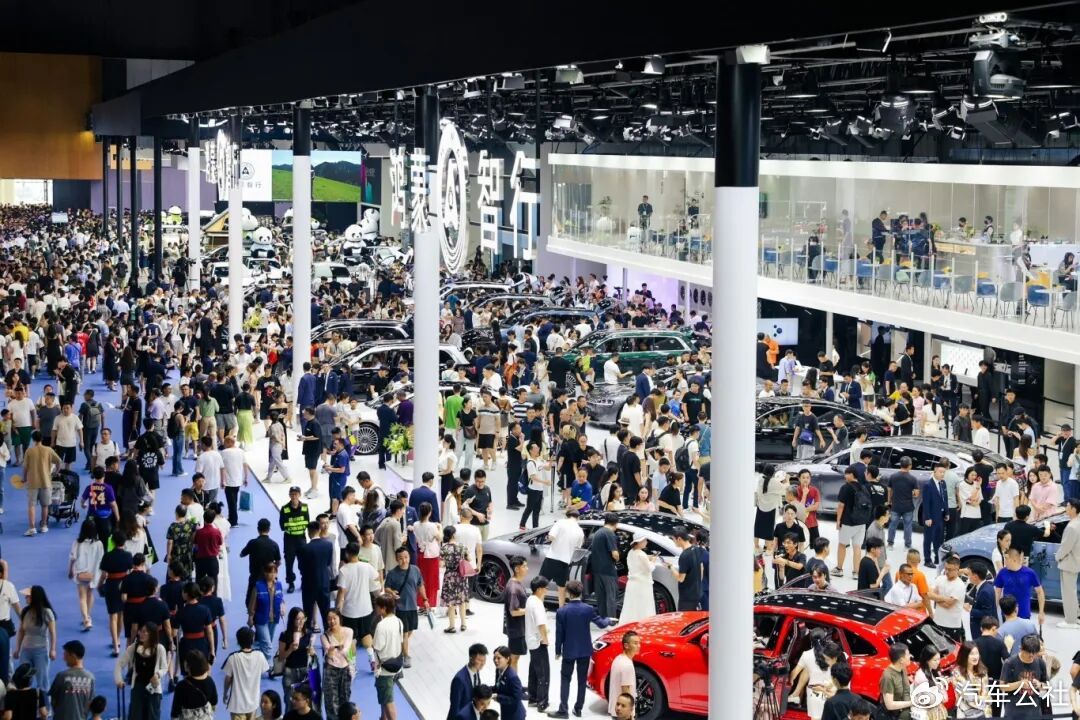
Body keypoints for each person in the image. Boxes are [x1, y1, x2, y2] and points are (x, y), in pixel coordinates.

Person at [546, 580, 611, 719]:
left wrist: (557, 651)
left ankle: (563, 710)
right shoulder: (588, 609)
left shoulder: (562, 611)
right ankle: (578, 708)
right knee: (582, 681)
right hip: (585, 650)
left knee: (565, 679)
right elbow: (601, 624)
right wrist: (609, 620)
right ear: (581, 592)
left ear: (568, 593)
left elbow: (559, 633)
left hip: (569, 650)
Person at [384, 545, 427, 668]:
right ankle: (406, 656)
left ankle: (399, 647)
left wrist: (425, 599)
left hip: (412, 606)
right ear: (396, 559)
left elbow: (420, 585)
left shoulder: (415, 570)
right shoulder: (392, 573)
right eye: (401, 558)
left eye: (406, 557)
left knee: (409, 631)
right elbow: (386, 587)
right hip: (400, 608)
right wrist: (391, 592)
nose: (404, 560)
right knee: (405, 633)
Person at [115, 622, 168, 720]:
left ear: (151, 634)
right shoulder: (133, 647)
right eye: (141, 631)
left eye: (144, 632)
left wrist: (158, 674)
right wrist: (119, 680)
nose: (141, 634)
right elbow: (119, 664)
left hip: (153, 688)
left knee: (152, 716)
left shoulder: (160, 649)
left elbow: (164, 668)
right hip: (138, 686)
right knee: (136, 715)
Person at [223, 627, 270, 720]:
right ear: (253, 640)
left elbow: (228, 679)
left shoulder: (233, 658)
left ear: (238, 641)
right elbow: (264, 670)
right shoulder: (260, 655)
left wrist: (225, 693)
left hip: (237, 705)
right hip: (253, 703)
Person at [999, 634, 1049, 719]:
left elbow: (1046, 685)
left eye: (1034, 653)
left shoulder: (1040, 663)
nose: (1031, 656)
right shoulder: (1010, 663)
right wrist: (1020, 684)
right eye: (1028, 652)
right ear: (1021, 648)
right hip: (1014, 711)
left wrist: (1039, 684)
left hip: (1034, 711)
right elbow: (1002, 686)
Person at [541, 509, 584, 608]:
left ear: (566, 516)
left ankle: (540, 607)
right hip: (565, 562)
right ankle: (561, 609)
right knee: (561, 588)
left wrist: (548, 538)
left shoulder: (560, 522)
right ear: (578, 518)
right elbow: (579, 546)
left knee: (542, 585)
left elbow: (551, 537)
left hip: (552, 558)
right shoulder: (580, 530)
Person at [22, 430, 61, 537]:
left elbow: (25, 467)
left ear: (33, 439)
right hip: (46, 482)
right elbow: (59, 461)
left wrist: (24, 478)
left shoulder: (29, 451)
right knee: (45, 506)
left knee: (31, 505)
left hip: (32, 482)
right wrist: (56, 472)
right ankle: (44, 526)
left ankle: (32, 528)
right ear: (42, 438)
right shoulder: (48, 450)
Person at [372, 593, 405, 720]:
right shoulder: (398, 621)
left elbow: (377, 646)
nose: (376, 608)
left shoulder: (381, 625)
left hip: (384, 669)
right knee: (385, 696)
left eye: (377, 606)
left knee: (388, 700)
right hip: (396, 665)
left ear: (383, 608)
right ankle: (383, 718)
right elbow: (401, 640)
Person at [297, 521, 333, 632]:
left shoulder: (303, 548)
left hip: (308, 584)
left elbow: (301, 567)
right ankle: (328, 636)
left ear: (309, 532)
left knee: (307, 614)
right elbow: (328, 563)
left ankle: (307, 636)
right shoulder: (328, 545)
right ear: (319, 530)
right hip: (324, 583)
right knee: (326, 613)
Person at [994, 546, 1046, 623]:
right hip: (1007, 614)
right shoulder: (1002, 572)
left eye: (1006, 559)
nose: (1004, 561)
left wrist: (1041, 612)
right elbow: (997, 592)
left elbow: (1040, 592)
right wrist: (994, 611)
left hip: (1024, 615)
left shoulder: (1029, 573)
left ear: (1014, 560)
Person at [247, 562, 285, 664]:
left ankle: (259, 662)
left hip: (274, 619)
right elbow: (252, 603)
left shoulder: (279, 585)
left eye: (274, 572)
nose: (272, 575)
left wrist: (282, 606)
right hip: (260, 620)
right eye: (269, 572)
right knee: (267, 645)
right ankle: (268, 666)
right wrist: (250, 617)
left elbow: (281, 599)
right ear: (265, 573)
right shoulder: (258, 586)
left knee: (266, 643)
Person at [320, 610, 355, 720]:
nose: (332, 621)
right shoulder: (324, 636)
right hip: (331, 670)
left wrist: (340, 649)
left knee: (345, 699)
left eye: (334, 618)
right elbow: (329, 654)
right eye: (329, 619)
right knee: (331, 701)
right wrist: (330, 652)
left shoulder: (349, 631)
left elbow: (347, 648)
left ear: (340, 618)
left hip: (345, 669)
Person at [47, 640, 92, 720]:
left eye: (65, 655)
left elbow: (54, 699)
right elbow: (90, 702)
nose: (64, 658)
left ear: (73, 656)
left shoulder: (62, 676)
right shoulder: (91, 678)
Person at [524, 576, 550, 712]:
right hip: (538, 642)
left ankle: (533, 698)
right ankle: (542, 702)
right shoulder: (538, 604)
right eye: (545, 588)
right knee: (543, 673)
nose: (547, 590)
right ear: (539, 589)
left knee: (534, 671)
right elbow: (541, 624)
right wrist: (545, 639)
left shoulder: (530, 599)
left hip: (531, 640)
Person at [927, 555, 966, 642]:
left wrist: (935, 598)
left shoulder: (959, 585)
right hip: (937, 622)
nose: (947, 571)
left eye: (950, 569)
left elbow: (948, 605)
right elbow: (928, 594)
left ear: (957, 569)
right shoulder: (940, 578)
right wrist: (944, 598)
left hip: (952, 625)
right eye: (946, 568)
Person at [279, 486, 310, 594]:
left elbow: (307, 522)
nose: (294, 496)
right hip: (289, 540)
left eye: (296, 494)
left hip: (301, 539)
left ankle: (304, 581)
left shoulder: (305, 507)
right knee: (289, 563)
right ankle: (291, 583)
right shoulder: (284, 509)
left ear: (299, 495)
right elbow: (282, 526)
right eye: (292, 494)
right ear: (289, 495)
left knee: (303, 562)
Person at [589, 513, 620, 619]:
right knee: (611, 598)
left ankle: (603, 619)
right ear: (616, 523)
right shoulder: (609, 533)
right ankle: (611, 621)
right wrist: (618, 558)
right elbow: (614, 554)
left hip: (597, 570)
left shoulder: (598, 532)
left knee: (601, 598)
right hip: (608, 571)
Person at [1056, 498, 1080, 629]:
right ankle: (1075, 616)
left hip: (1069, 562)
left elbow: (1065, 547)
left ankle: (1070, 621)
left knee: (1068, 593)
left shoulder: (1072, 526)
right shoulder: (1077, 523)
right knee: (1072, 591)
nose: (1066, 508)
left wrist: (1057, 557)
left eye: (1068, 506)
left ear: (1074, 509)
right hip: (1075, 562)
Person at [172, 651, 218, 720]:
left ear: (189, 667)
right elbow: (214, 701)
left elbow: (176, 710)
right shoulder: (209, 681)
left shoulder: (181, 686)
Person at [448, 644, 488, 720]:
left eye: (484, 660)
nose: (482, 663)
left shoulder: (476, 672)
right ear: (471, 658)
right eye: (479, 660)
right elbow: (455, 707)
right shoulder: (459, 679)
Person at [887, 455, 919, 550]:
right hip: (908, 507)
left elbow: (889, 490)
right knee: (908, 526)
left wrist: (889, 501)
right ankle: (907, 545)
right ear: (909, 465)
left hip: (895, 506)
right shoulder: (913, 478)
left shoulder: (893, 476)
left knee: (892, 525)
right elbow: (916, 494)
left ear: (900, 464)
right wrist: (911, 492)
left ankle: (890, 544)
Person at [952, 642, 990, 720]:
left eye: (977, 653)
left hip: (981, 714)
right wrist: (980, 698)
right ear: (965, 655)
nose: (975, 656)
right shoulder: (957, 673)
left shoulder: (982, 671)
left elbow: (986, 695)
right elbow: (968, 697)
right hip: (965, 715)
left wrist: (981, 699)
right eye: (972, 654)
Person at [606, 631, 639, 718]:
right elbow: (625, 690)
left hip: (616, 711)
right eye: (635, 643)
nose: (639, 646)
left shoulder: (618, 659)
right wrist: (630, 716)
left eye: (639, 643)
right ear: (626, 646)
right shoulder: (627, 665)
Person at [670, 528, 703, 610]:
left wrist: (670, 567)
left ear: (679, 539)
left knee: (685, 617)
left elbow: (680, 578)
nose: (673, 542)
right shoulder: (697, 549)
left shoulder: (684, 556)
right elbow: (701, 568)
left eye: (673, 539)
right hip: (698, 593)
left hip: (687, 598)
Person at [879, 643, 913, 720]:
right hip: (893, 715)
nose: (910, 656)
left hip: (903, 709)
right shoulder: (888, 677)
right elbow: (889, 705)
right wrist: (912, 703)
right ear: (901, 660)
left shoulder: (902, 668)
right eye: (908, 655)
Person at [492, 646, 526, 720]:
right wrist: (487, 690)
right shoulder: (498, 670)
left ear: (507, 659)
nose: (495, 660)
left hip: (515, 715)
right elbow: (498, 686)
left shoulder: (512, 677)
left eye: (499, 658)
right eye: (494, 658)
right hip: (506, 711)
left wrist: (498, 698)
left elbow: (517, 698)